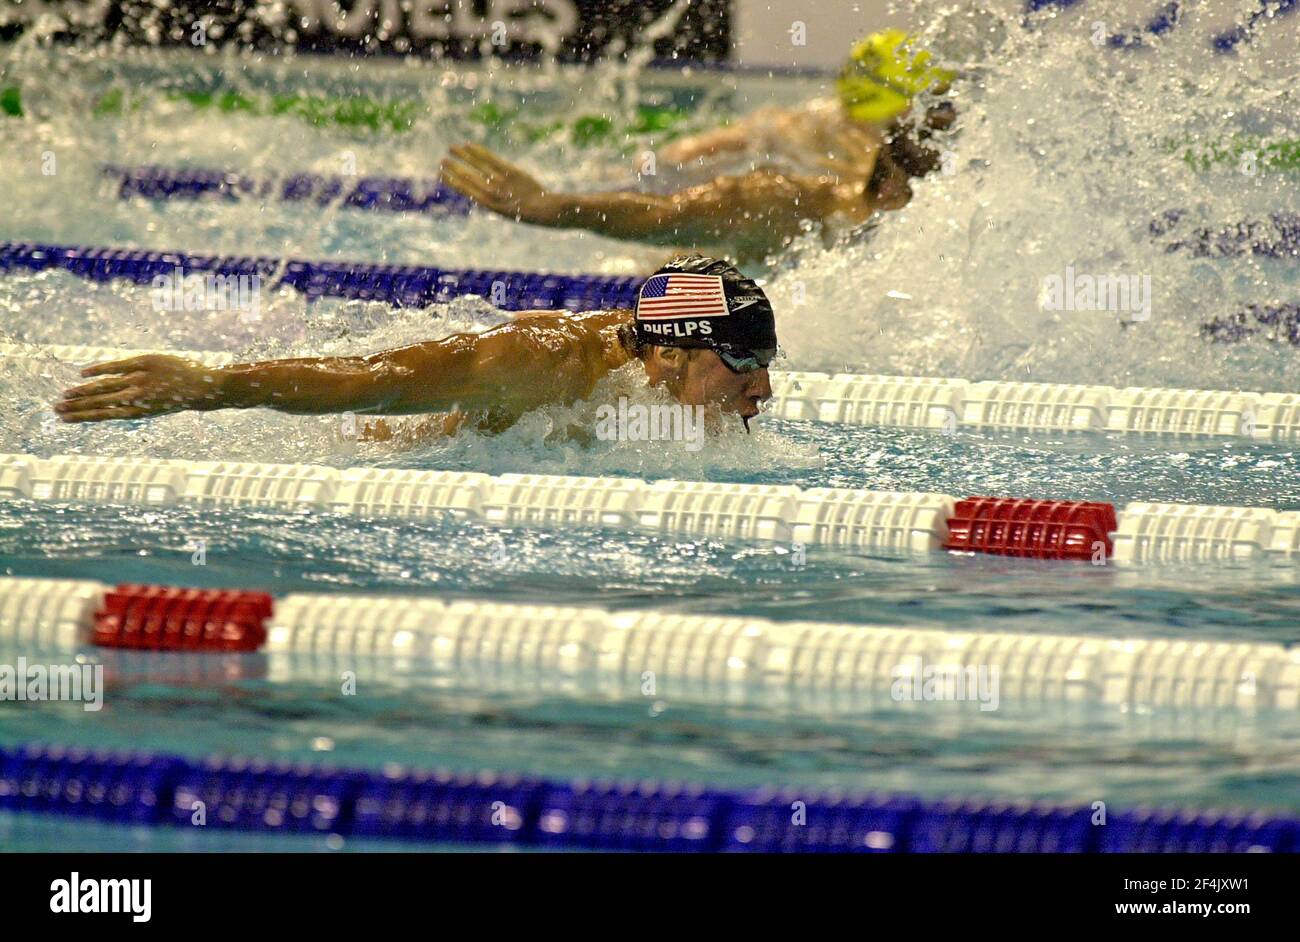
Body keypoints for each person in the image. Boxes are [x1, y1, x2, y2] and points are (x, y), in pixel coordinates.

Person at [54, 256, 777, 440]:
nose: (763, 392)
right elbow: (380, 380)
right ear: (674, 355)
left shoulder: (663, 385)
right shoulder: (544, 360)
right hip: (385, 451)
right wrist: (214, 386)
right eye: (744, 366)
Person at [439, 31, 956, 263]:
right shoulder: (792, 197)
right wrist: (556, 205)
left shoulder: (803, 129)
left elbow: (681, 159)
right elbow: (663, 213)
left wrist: (647, 169)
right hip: (684, 256)